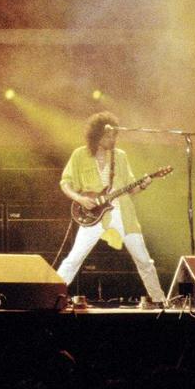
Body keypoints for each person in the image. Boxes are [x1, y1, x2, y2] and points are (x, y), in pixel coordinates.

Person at [56, 111, 167, 305]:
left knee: (144, 260)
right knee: (74, 258)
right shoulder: (80, 154)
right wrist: (80, 199)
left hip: (124, 215)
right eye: (108, 135)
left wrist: (143, 184)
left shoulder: (120, 156)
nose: (113, 138)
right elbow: (65, 183)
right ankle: (50, 295)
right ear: (97, 134)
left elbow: (131, 189)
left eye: (115, 134)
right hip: (94, 215)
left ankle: (160, 301)